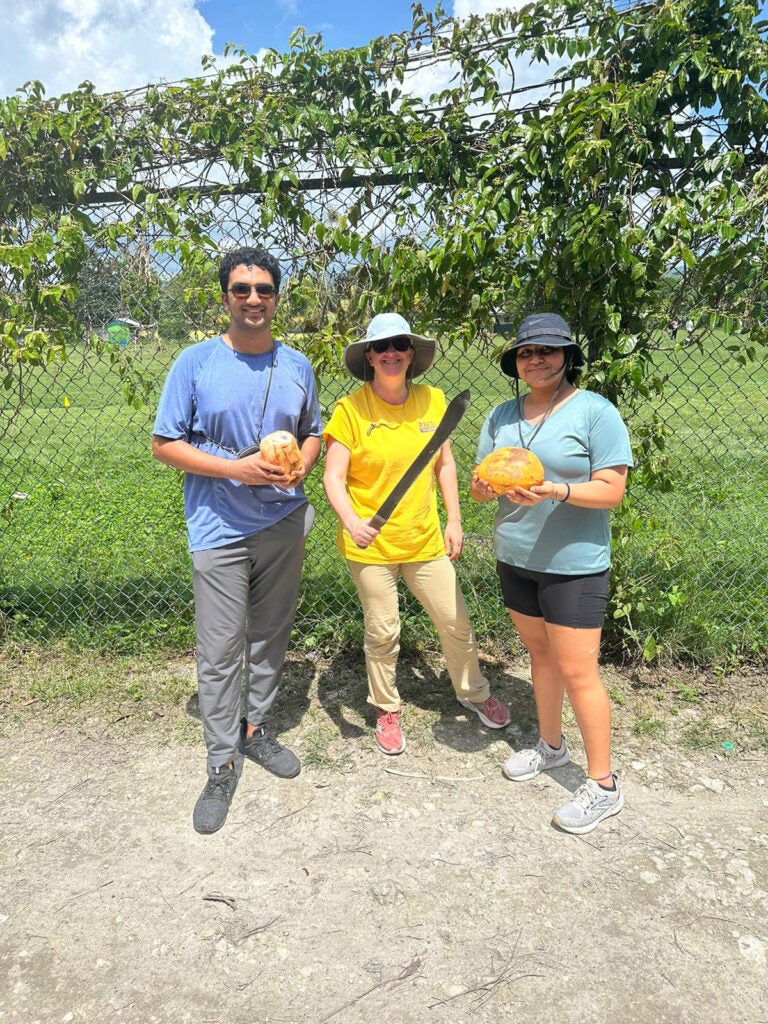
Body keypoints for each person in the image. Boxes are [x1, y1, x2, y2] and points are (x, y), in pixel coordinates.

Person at [152, 247, 322, 835]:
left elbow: (312, 433)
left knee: (272, 634)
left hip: (284, 523)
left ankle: (254, 728)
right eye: (242, 289)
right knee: (221, 647)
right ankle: (221, 760)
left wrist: (301, 463)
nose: (254, 299)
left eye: (265, 289)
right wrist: (237, 471)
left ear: (277, 297)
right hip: (218, 527)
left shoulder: (297, 364)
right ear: (225, 296)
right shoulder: (194, 363)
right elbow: (165, 444)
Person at [470, 312, 633, 835]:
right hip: (516, 558)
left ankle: (604, 786)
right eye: (525, 352)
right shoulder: (501, 415)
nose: (536, 360)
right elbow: (477, 486)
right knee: (540, 657)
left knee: (579, 671)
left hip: (574, 565)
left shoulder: (594, 412)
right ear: (515, 362)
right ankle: (551, 747)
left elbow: (611, 491)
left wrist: (556, 490)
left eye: (547, 351)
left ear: (566, 357)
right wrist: (489, 488)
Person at [322, 312, 510, 755]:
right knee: (383, 632)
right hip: (371, 544)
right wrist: (352, 522)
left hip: (423, 539)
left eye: (399, 346)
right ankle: (386, 708)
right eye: (382, 347)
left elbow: (444, 463)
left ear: (411, 354)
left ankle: (474, 693)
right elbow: (333, 478)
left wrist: (455, 520)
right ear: (369, 356)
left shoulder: (433, 400)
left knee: (455, 622)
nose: (391, 354)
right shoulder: (350, 410)